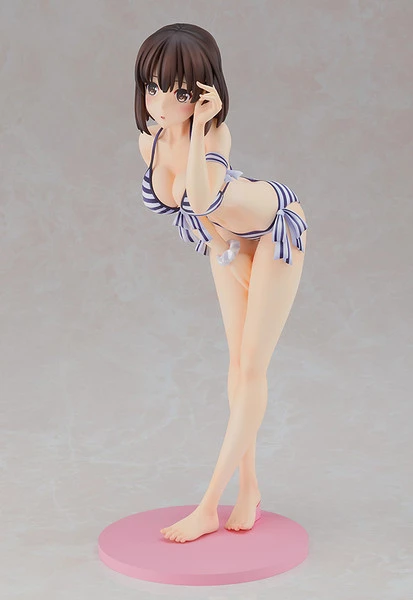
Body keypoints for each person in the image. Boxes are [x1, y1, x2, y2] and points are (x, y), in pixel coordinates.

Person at [135, 23, 309, 543]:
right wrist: (225, 254)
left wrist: (200, 128)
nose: (162, 103)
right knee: (235, 370)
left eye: (180, 93)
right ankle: (249, 489)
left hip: (275, 230)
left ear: (205, 92)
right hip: (227, 243)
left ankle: (208, 504)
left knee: (251, 370)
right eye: (153, 86)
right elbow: (193, 215)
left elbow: (203, 194)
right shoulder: (148, 141)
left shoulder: (215, 136)